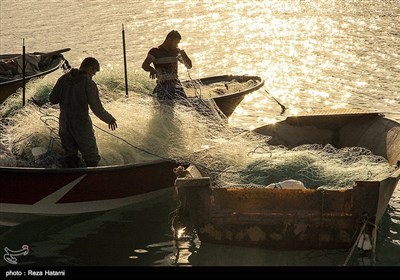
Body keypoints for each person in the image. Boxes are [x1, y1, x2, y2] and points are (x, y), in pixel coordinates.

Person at [49, 57, 117, 168]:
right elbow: (97, 108)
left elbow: (52, 99)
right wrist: (109, 119)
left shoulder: (63, 79)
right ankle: (90, 181)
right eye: (94, 72)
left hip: (64, 125)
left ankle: (73, 179)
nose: (93, 75)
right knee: (91, 157)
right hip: (81, 125)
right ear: (90, 68)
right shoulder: (88, 83)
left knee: (70, 156)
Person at [141, 30, 192, 102]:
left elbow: (189, 66)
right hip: (163, 87)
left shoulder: (176, 51)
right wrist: (151, 69)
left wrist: (184, 55)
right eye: (175, 43)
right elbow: (144, 65)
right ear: (169, 40)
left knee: (186, 108)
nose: (176, 45)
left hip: (176, 86)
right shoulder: (155, 51)